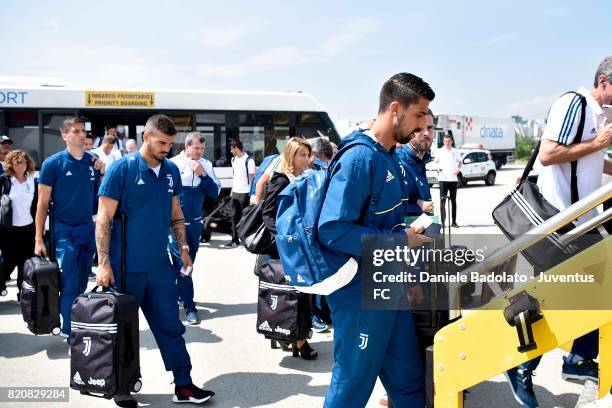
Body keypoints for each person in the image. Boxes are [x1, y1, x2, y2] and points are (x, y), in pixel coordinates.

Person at [319, 72, 435, 407]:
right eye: (417, 116)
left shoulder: (389, 156)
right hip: (359, 294)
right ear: (396, 109)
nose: (420, 126)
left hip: (389, 286)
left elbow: (388, 223)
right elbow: (333, 229)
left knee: (409, 382)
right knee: (351, 389)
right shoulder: (359, 157)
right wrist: (400, 242)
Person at [505, 55, 612, 408]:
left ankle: (576, 358)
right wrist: (599, 143)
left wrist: (604, 158)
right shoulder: (573, 103)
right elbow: (550, 154)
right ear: (603, 81)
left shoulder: (598, 114)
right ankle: (527, 365)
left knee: (588, 295)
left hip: (582, 222)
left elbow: (588, 159)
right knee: (557, 300)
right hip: (559, 224)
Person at [96, 114, 214, 407]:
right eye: (161, 142)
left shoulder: (172, 170)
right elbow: (103, 219)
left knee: (171, 326)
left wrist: (183, 246)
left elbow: (176, 212)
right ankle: (121, 385)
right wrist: (103, 263)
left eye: (170, 144)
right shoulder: (121, 169)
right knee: (123, 330)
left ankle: (183, 386)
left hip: (160, 267)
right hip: (125, 269)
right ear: (146, 137)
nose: (166, 148)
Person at [34, 117, 103, 343]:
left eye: (84, 131)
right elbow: (42, 204)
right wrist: (38, 239)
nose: (82, 135)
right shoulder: (53, 164)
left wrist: (102, 174)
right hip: (64, 232)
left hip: (87, 229)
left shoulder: (93, 162)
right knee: (71, 282)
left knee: (83, 282)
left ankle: (76, 322)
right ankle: (69, 331)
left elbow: (98, 200)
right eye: (76, 131)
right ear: (65, 135)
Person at [261, 136, 318, 359]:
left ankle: (295, 335)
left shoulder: (302, 177)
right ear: (291, 155)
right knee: (295, 293)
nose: (306, 159)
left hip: (300, 244)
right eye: (301, 155)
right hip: (286, 246)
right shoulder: (281, 179)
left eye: (307, 154)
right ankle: (298, 340)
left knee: (302, 292)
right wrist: (282, 240)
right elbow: (268, 213)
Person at [168, 132, 220, 325]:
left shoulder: (206, 165)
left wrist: (203, 174)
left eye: (201, 148)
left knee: (185, 268)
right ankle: (190, 307)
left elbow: (214, 192)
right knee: (185, 266)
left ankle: (180, 295)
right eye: (196, 148)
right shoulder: (172, 164)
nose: (199, 152)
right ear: (187, 146)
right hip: (174, 226)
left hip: (195, 225)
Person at [0, 150, 37, 300]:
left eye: (24, 162)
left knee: (25, 263)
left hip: (28, 228)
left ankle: (23, 293)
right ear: (11, 164)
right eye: (17, 162)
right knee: (9, 261)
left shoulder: (32, 180)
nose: (21, 165)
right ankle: (1, 284)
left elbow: (37, 203)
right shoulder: (4, 180)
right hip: (8, 229)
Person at [396, 109, 435, 216]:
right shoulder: (397, 162)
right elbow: (388, 206)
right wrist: (418, 205)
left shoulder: (422, 160)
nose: (426, 133)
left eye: (430, 128)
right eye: (419, 129)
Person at [227, 139, 255, 247]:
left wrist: (253, 194)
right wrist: (232, 190)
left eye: (232, 149)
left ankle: (246, 239)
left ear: (236, 148)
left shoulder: (249, 161)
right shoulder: (233, 160)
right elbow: (235, 176)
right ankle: (234, 240)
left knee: (245, 217)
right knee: (234, 217)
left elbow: (252, 179)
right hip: (235, 192)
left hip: (245, 192)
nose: (231, 151)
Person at [435, 133, 461, 227]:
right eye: (445, 141)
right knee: (442, 202)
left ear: (452, 141)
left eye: (449, 141)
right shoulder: (439, 151)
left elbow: (460, 162)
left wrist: (458, 169)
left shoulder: (456, 151)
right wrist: (438, 168)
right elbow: (436, 162)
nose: (447, 143)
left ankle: (454, 222)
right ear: (443, 142)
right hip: (443, 179)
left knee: (453, 201)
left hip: (453, 179)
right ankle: (442, 222)